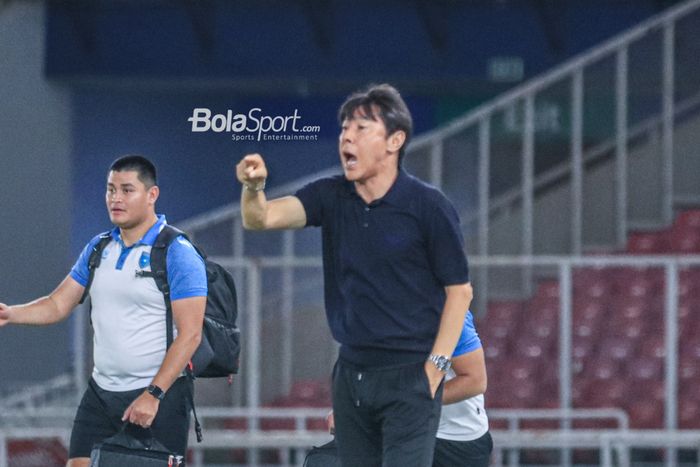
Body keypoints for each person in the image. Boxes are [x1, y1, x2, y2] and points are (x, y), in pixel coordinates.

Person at [236, 83, 473, 467]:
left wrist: (435, 371)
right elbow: (259, 217)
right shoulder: (330, 196)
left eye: (362, 128)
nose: (347, 135)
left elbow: (459, 292)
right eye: (345, 127)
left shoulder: (429, 206)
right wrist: (253, 187)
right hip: (351, 374)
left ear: (395, 140)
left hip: (410, 375)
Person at [0, 155, 207, 467]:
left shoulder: (178, 253)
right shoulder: (98, 248)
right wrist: (10, 313)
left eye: (127, 190)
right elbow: (58, 304)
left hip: (158, 398)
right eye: (111, 190)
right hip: (100, 394)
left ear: (152, 195)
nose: (116, 199)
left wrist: (153, 395)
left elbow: (190, 334)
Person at [325, 311, 493, 467]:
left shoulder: (446, 309)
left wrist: (410, 400)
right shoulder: (372, 310)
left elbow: (475, 381)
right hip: (401, 428)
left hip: (456, 440)